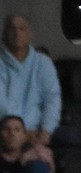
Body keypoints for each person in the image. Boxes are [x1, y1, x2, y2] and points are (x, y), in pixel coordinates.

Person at [0, 14, 60, 146]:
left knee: (39, 166)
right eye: (12, 29)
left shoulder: (43, 63)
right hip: (3, 134)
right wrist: (18, 132)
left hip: (35, 134)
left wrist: (46, 131)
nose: (17, 33)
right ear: (5, 33)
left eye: (22, 29)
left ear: (29, 33)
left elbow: (52, 99)